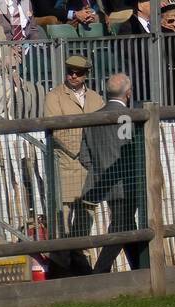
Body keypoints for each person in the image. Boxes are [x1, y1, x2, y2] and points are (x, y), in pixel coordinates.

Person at [45, 54, 105, 271]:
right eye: (70, 71)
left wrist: (93, 153)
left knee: (86, 217)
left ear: (85, 75)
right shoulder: (54, 97)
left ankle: (81, 263)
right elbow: (57, 130)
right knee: (62, 217)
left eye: (78, 73)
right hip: (67, 165)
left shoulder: (96, 98)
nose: (73, 76)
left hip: (90, 169)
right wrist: (84, 149)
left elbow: (103, 128)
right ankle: (60, 267)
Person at [82, 72, 145, 273]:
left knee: (126, 225)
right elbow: (131, 148)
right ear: (129, 93)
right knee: (121, 226)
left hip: (105, 182)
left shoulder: (92, 119)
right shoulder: (126, 118)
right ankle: (100, 271)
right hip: (128, 182)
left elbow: (84, 157)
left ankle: (141, 269)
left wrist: (101, 170)